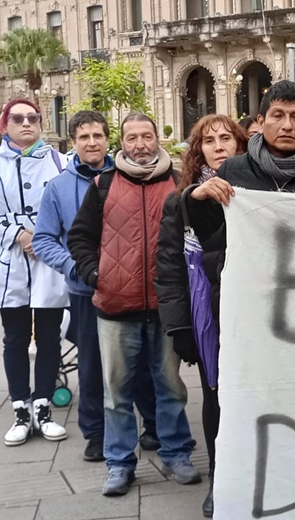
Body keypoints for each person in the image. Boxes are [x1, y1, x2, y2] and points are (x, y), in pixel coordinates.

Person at [68, 112, 199, 497]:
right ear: (121, 143)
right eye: (132, 137)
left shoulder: (178, 184)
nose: (140, 144)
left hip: (165, 308)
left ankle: (177, 453)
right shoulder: (103, 185)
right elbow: (79, 238)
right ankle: (120, 463)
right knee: (116, 393)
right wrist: (98, 274)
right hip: (115, 308)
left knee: (171, 387)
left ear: (158, 139)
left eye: (147, 136)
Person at [32, 110, 160, 461]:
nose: (92, 142)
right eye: (84, 137)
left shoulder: (127, 176)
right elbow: (44, 240)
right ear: (73, 143)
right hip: (86, 292)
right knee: (91, 365)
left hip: (135, 289)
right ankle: (95, 432)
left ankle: (152, 425)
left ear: (108, 140)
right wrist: (77, 269)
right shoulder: (58, 187)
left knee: (144, 361)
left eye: (97, 136)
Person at [155, 114, 248, 518]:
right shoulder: (182, 200)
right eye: (209, 141)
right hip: (208, 313)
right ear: (199, 152)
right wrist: (179, 325)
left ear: (240, 145)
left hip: (251, 314)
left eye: (226, 138)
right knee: (215, 398)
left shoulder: (256, 190)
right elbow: (169, 264)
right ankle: (218, 479)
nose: (219, 145)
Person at [0, 98, 69, 447]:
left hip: (49, 263)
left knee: (49, 338)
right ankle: (20, 409)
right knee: (14, 339)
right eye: (18, 118)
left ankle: (43, 405)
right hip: (10, 266)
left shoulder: (59, 162)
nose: (26, 123)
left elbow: (70, 208)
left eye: (33, 118)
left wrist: (44, 236)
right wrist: (18, 234)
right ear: (4, 125)